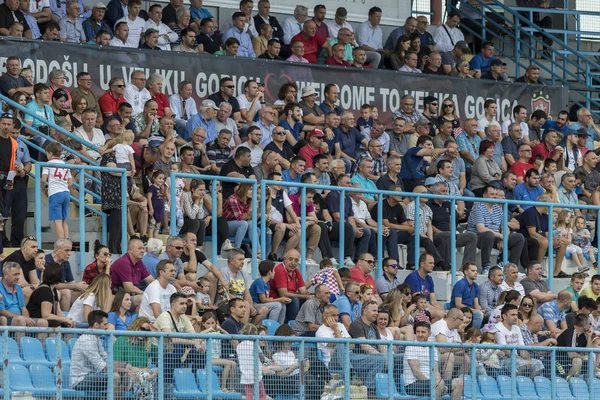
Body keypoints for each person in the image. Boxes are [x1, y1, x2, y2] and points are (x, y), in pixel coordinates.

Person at [70, 311, 119, 393]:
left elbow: (107, 359)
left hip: (92, 376)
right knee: (115, 376)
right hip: (80, 381)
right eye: (105, 324)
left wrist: (126, 366)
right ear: (96, 325)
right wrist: (124, 370)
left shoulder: (96, 338)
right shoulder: (86, 340)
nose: (107, 327)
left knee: (125, 377)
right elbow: (103, 368)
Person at [495, 304, 545, 377]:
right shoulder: (498, 329)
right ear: (504, 316)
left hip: (517, 359)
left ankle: (528, 382)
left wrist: (528, 359)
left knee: (539, 364)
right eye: (512, 315)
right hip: (504, 360)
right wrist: (522, 360)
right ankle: (516, 384)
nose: (516, 317)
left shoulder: (516, 328)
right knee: (521, 363)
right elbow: (506, 350)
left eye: (516, 315)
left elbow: (522, 348)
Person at [27, 262, 75, 327]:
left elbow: (58, 311)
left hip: (45, 320)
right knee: (55, 324)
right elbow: (46, 315)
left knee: (68, 325)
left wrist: (66, 320)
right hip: (36, 320)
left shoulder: (53, 289)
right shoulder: (45, 290)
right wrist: (63, 320)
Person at [0, 262, 47, 328]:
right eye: (15, 274)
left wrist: (27, 319)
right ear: (5, 275)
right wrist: (24, 318)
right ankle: (19, 338)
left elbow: (23, 308)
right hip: (7, 318)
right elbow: (2, 311)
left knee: (43, 322)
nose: (18, 277)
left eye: (19, 274)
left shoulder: (17, 287)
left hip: (20, 317)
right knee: (21, 320)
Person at [110, 238, 155, 306]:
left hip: (127, 296)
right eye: (139, 248)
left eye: (143, 248)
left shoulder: (139, 262)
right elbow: (129, 288)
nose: (142, 251)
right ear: (130, 250)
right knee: (143, 299)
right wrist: (146, 294)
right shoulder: (123, 262)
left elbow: (151, 281)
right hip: (115, 296)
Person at [556, 313, 593, 379]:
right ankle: (570, 383)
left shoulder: (582, 335)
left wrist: (589, 336)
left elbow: (588, 352)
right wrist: (582, 357)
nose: (590, 326)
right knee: (577, 361)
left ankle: (588, 385)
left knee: (591, 359)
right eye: (590, 324)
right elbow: (571, 354)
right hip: (559, 363)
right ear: (584, 325)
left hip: (569, 362)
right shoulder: (571, 332)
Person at [450, 263, 484, 329]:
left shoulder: (476, 286)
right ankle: (471, 335)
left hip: (469, 311)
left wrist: (480, 310)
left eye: (476, 271)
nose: (476, 273)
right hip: (458, 310)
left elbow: (476, 304)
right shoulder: (460, 284)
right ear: (466, 272)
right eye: (473, 271)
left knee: (489, 315)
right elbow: (458, 304)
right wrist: (474, 310)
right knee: (478, 315)